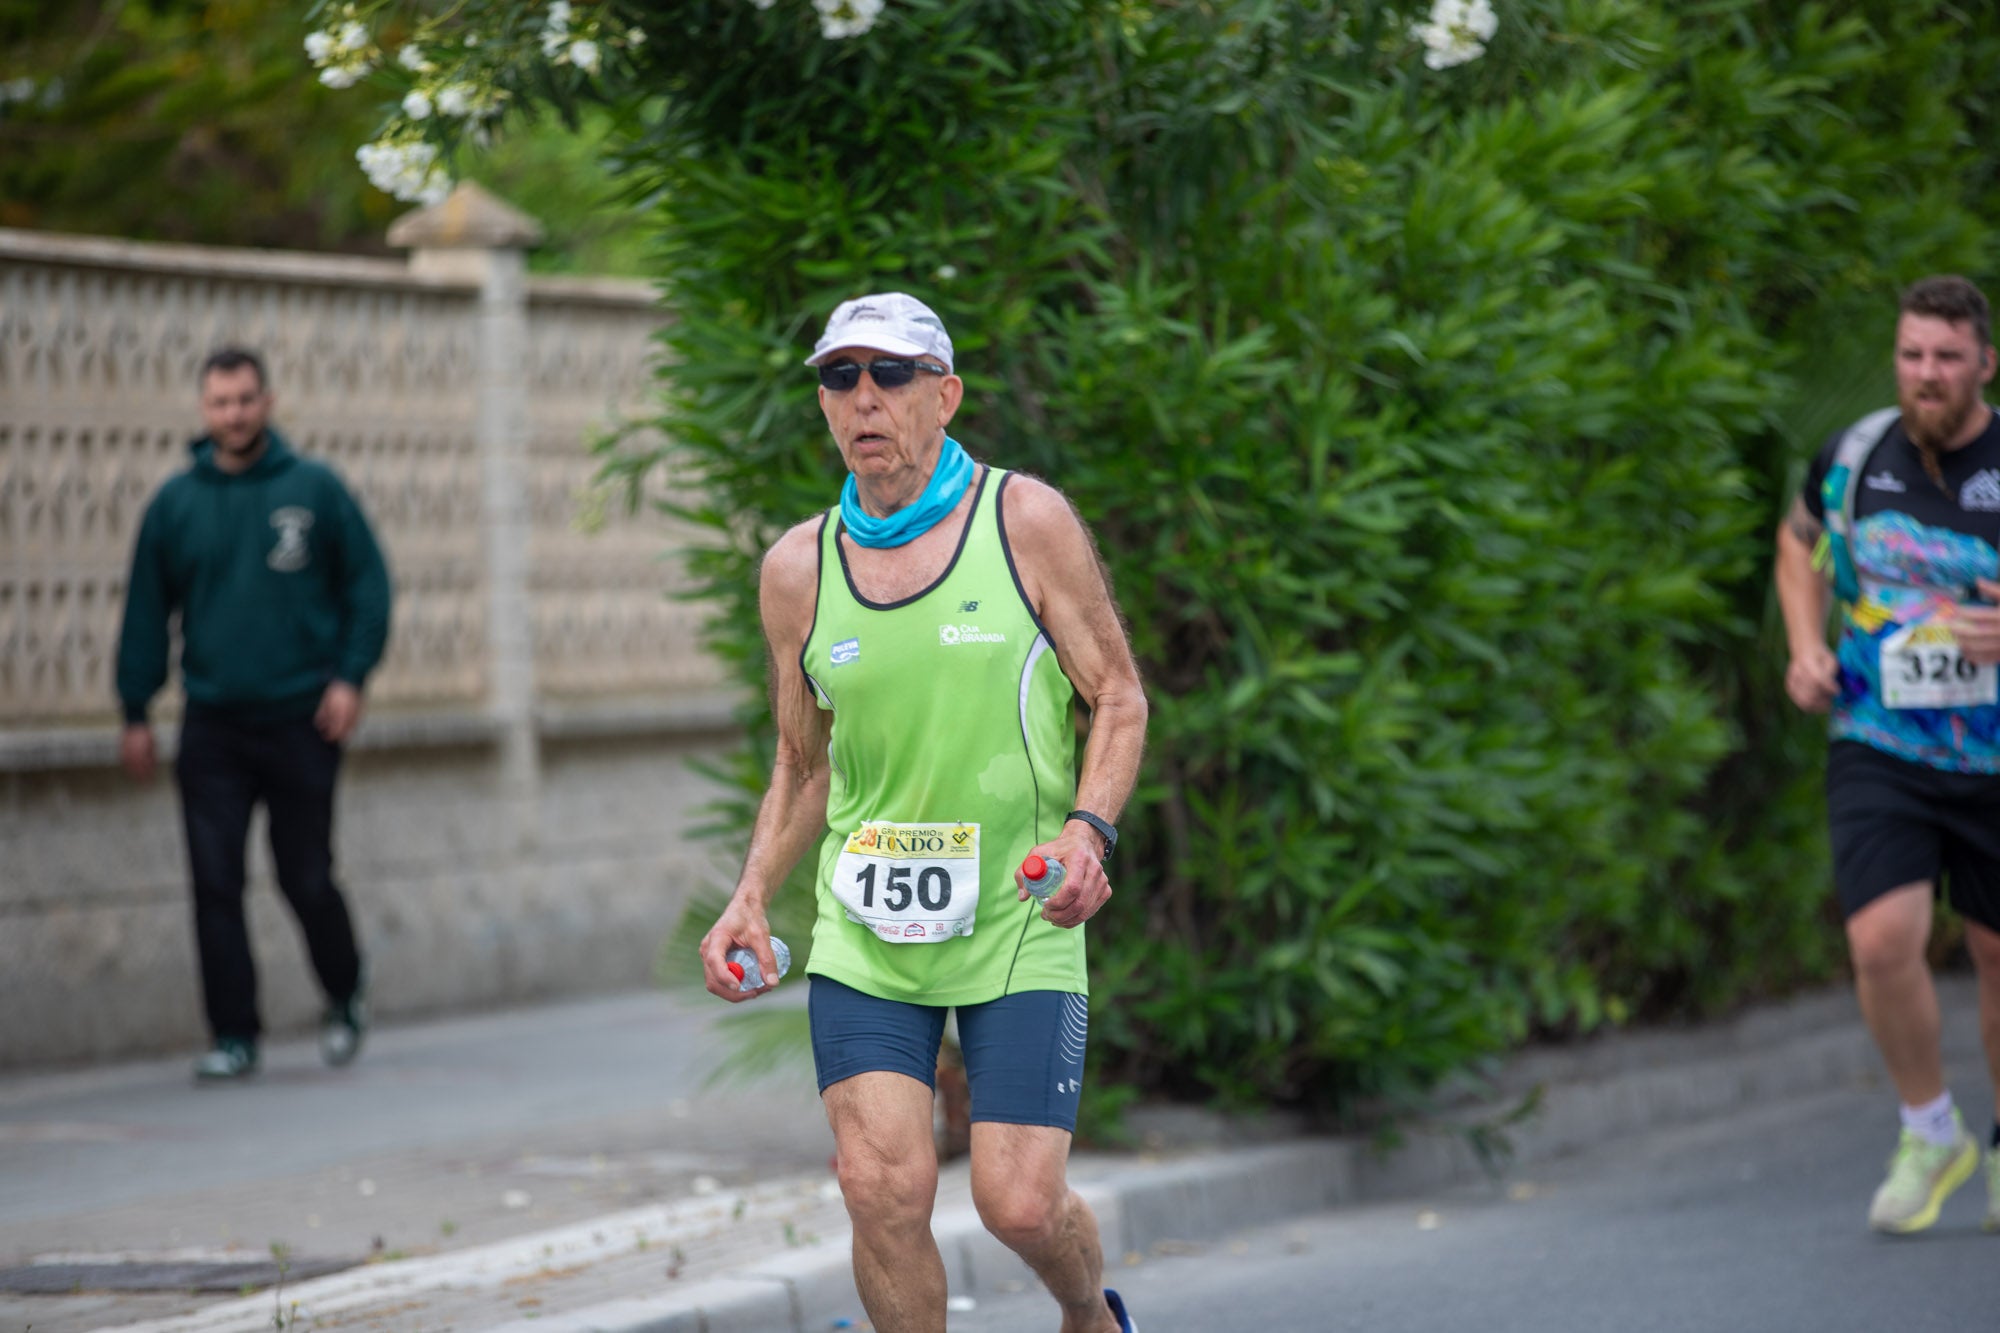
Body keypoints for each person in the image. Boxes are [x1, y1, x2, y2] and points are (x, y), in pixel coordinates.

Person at [700, 293, 1148, 1332]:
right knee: (878, 1187)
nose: (863, 397)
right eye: (838, 376)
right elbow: (801, 759)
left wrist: (1087, 832)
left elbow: (1116, 695)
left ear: (942, 395)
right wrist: (751, 893)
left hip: (1015, 918)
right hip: (865, 930)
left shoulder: (1022, 521)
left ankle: (1090, 1314)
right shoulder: (795, 570)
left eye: (889, 375)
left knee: (1018, 1202)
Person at [1775, 274, 2000, 1233]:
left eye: (1948, 357)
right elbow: (1796, 546)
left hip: (1996, 756)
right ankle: (1929, 1129)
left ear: (1984, 363)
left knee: (1997, 951)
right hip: (1878, 737)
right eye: (1912, 355)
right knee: (1877, 938)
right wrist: (1805, 645)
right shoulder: (1854, 455)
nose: (1927, 374)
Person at [116, 347, 391, 1082]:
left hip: (304, 717)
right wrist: (134, 708)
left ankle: (343, 987)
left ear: (266, 402)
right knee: (214, 881)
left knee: (304, 873)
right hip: (213, 723)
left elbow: (368, 587)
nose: (233, 414)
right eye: (219, 402)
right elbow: (146, 610)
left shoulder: (314, 489)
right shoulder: (176, 504)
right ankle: (234, 1033)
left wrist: (350, 679)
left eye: (244, 399)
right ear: (204, 410)